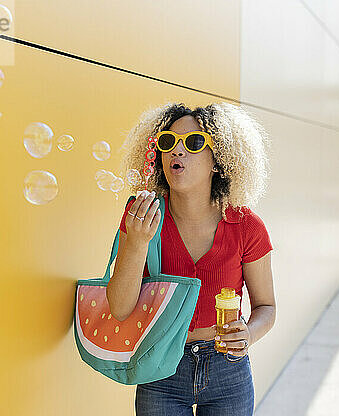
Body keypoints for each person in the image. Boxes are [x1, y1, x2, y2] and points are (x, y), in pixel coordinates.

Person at [106, 102, 276, 415]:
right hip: (160, 365)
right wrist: (138, 242)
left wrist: (249, 333)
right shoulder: (142, 217)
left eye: (194, 143)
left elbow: (267, 307)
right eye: (167, 142)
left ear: (218, 159)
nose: (177, 151)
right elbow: (119, 308)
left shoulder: (247, 226)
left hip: (227, 367)